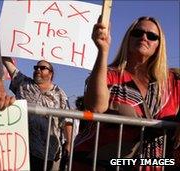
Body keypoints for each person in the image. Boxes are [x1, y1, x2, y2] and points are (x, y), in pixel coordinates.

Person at [73, 16, 180, 170]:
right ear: (128, 38)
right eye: (137, 33)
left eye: (151, 36)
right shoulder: (108, 75)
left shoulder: (173, 82)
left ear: (159, 45)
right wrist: (103, 50)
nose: (144, 37)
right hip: (101, 164)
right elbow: (96, 107)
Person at [2, 57, 73, 171]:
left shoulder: (60, 94)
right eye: (36, 67)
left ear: (51, 74)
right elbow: (8, 63)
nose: (38, 70)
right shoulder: (23, 83)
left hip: (48, 153)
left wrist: (69, 143)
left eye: (42, 68)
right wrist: (4, 46)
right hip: (22, 149)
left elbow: (68, 121)